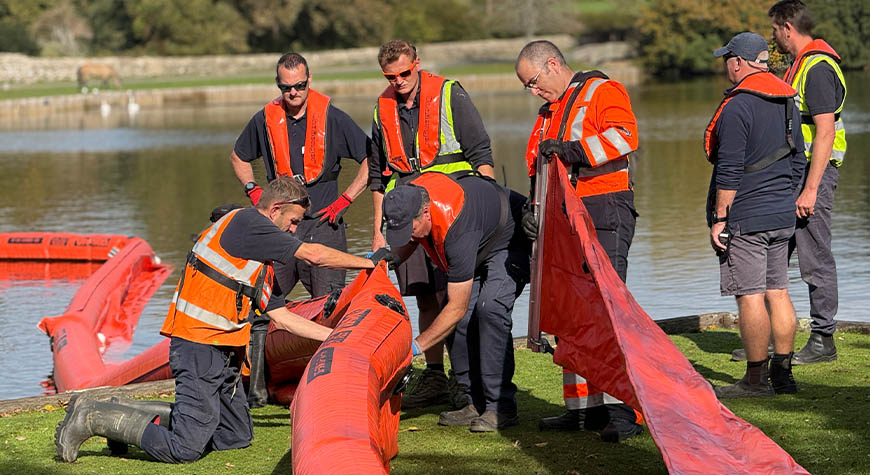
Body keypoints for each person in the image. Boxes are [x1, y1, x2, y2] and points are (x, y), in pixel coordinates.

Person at [55, 177, 399, 463]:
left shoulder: (259, 264)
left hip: (224, 352)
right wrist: (371, 263)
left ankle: (124, 411)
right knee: (185, 449)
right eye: (292, 221)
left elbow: (283, 318)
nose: (294, 231)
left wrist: (336, 337)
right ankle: (93, 417)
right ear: (275, 209)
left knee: (235, 437)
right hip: (197, 345)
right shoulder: (248, 222)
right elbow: (314, 255)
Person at [515, 40, 643, 442]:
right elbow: (540, 165)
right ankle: (584, 410)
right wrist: (531, 209)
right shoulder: (548, 113)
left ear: (552, 65)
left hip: (604, 208)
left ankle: (628, 411)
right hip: (562, 217)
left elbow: (625, 137)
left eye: (533, 82)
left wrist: (574, 150)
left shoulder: (602, 91)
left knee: (609, 312)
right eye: (527, 87)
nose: (532, 91)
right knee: (572, 314)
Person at [229, 52, 372, 406]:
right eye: (286, 87)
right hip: (278, 229)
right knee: (262, 304)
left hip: (324, 225)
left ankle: (332, 383)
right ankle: (255, 388)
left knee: (329, 305)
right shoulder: (265, 119)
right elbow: (238, 156)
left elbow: (372, 160)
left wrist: (346, 199)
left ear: (310, 81)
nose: (293, 93)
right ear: (279, 86)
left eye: (300, 86)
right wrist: (254, 191)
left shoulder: (333, 118)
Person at [368, 39, 496, 410]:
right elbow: (379, 175)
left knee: (459, 297)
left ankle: (468, 381)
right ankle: (436, 376)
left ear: (417, 64)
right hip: (407, 217)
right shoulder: (382, 108)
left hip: (453, 212)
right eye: (391, 76)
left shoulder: (450, 94)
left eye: (405, 73)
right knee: (426, 294)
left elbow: (481, 153)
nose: (399, 81)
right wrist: (380, 232)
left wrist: (487, 206)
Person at [382, 171, 528, 432]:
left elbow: (456, 309)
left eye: (410, 230)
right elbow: (411, 238)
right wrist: (388, 258)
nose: (410, 237)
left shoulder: (456, 227)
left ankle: (500, 407)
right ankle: (472, 401)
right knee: (459, 320)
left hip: (510, 239)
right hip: (479, 239)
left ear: (426, 213)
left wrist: (415, 348)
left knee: (489, 308)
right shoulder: (411, 196)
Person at [703, 32, 806, 399]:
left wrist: (720, 219)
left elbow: (729, 171)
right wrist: (784, 197)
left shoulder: (737, 107)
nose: (726, 66)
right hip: (781, 215)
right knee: (778, 291)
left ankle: (754, 381)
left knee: (749, 295)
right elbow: (799, 160)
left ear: (739, 63)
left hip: (746, 217)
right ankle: (784, 375)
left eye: (728, 59)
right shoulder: (785, 100)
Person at [768, 0, 847, 365]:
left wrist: (811, 188)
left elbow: (826, 131)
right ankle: (770, 336)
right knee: (775, 250)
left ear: (787, 27)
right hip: (793, 173)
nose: (773, 37)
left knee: (815, 254)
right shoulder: (799, 66)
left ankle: (823, 339)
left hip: (813, 173)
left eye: (774, 29)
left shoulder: (816, 68)